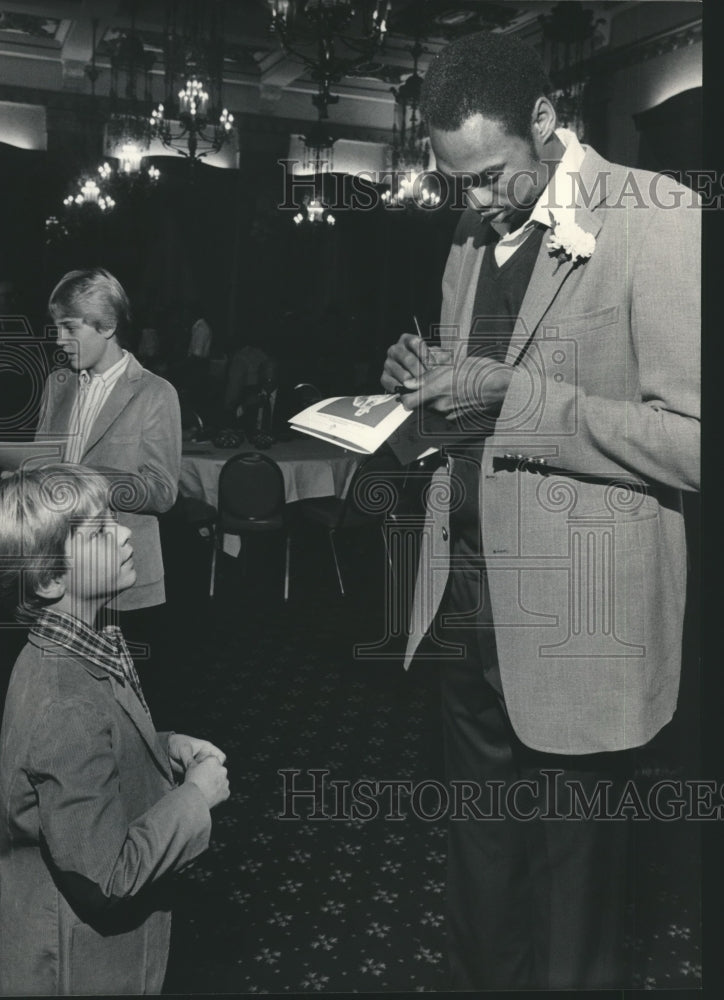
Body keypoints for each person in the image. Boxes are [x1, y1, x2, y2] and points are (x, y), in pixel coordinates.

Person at [380, 31, 700, 991]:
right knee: (481, 880)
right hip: (466, 602)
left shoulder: (661, 219)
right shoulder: (466, 245)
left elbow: (693, 438)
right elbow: (466, 412)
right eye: (456, 184)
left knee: (574, 908)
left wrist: (508, 400)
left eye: (490, 178)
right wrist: (417, 396)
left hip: (581, 626)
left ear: (548, 124)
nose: (474, 205)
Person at [0, 463, 230, 995]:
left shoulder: (81, 642)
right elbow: (108, 877)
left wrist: (161, 747)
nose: (126, 532)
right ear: (50, 577)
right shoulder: (64, 701)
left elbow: (94, 751)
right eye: (101, 532)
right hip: (78, 970)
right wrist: (195, 797)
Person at [36, 268, 181, 716]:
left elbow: (161, 492)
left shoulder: (156, 393)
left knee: (126, 714)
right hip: (61, 576)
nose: (59, 339)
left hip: (124, 583)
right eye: (56, 327)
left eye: (69, 327)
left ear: (107, 327)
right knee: (63, 708)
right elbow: (44, 465)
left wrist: (81, 478)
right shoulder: (58, 384)